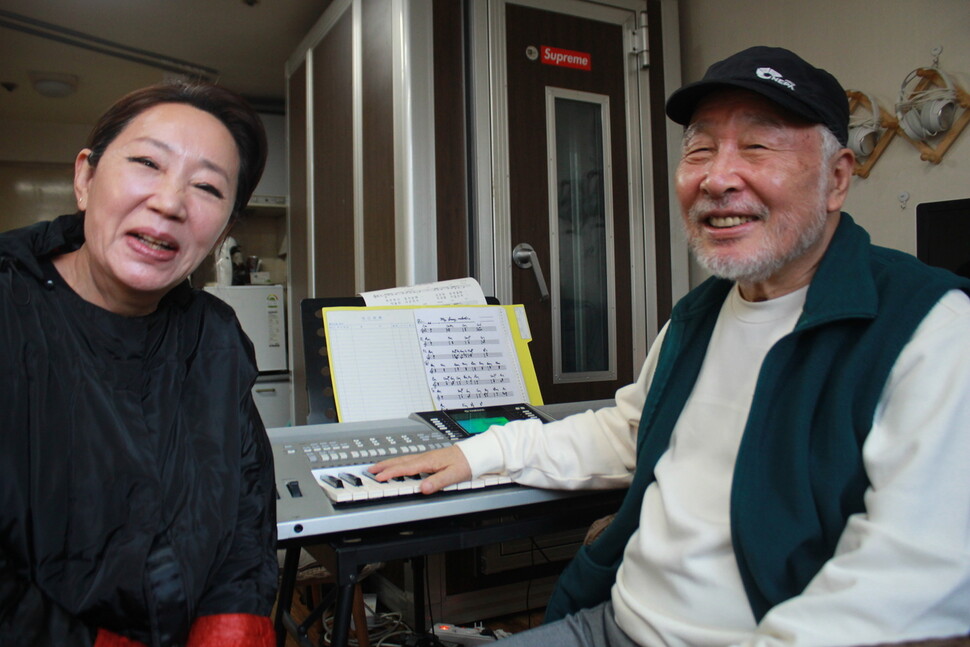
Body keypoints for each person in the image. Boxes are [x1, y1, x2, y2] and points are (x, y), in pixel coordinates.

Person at [370, 46, 970, 646]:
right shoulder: (700, 314)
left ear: (836, 178)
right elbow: (630, 431)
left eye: (758, 147)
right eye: (700, 148)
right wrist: (483, 452)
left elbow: (907, 578)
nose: (717, 177)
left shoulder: (929, 328)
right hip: (609, 621)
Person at [0, 82, 279, 646]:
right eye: (148, 163)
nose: (170, 203)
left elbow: (247, 513)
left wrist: (228, 631)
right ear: (85, 177)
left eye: (206, 186)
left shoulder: (216, 336)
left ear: (222, 229)